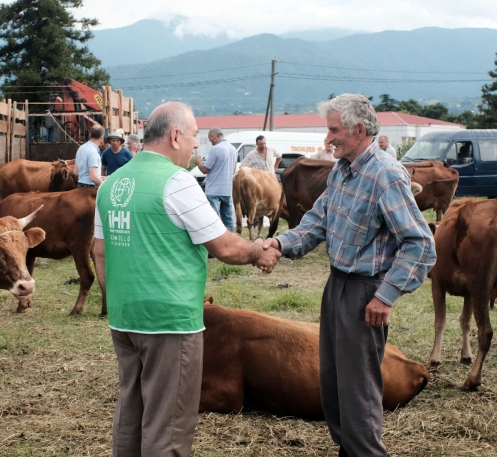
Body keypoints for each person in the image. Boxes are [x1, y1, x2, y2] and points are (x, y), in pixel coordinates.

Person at [93, 101, 281, 457]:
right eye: (194, 135)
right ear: (175, 135)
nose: (197, 145)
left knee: (130, 411)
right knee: (170, 424)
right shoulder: (177, 183)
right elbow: (224, 246)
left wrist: (117, 299)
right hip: (170, 323)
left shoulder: (110, 185)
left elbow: (99, 252)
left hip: (124, 319)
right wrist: (259, 252)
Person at [263, 93, 436, 457]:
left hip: (365, 292)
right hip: (337, 285)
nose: (328, 140)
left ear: (359, 129)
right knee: (334, 383)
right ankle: (350, 449)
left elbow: (419, 243)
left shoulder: (386, 174)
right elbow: (316, 222)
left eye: (334, 131)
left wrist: (385, 295)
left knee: (357, 389)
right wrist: (278, 244)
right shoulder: (343, 171)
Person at [194, 127, 236, 231]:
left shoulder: (215, 149)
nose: (211, 142)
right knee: (228, 219)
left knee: (213, 219)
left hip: (214, 191)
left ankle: (216, 243)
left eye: (210, 139)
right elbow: (233, 170)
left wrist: (199, 162)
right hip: (227, 191)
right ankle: (232, 242)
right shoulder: (233, 149)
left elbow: (205, 170)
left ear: (213, 136)